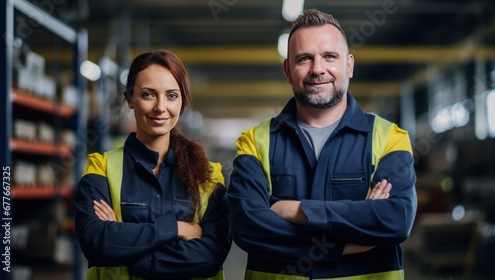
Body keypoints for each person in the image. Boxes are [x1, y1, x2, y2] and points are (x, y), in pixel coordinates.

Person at [227, 9, 417, 280]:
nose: (317, 69)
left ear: (349, 65)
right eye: (304, 58)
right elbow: (248, 227)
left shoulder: (389, 138)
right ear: (287, 70)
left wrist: (296, 210)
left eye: (329, 56)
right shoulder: (255, 142)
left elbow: (394, 220)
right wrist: (350, 241)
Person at [73, 50, 231, 279]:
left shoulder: (207, 174)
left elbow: (210, 257)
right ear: (129, 98)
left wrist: (127, 247)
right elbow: (97, 242)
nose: (160, 107)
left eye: (171, 96)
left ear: (182, 101)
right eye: (148, 95)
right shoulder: (102, 169)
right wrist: (178, 229)